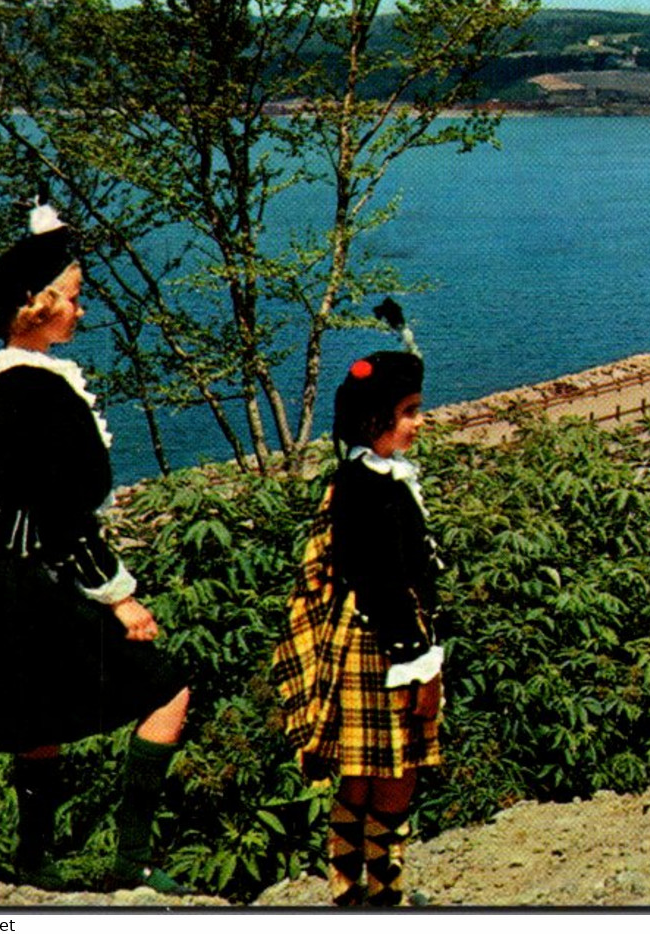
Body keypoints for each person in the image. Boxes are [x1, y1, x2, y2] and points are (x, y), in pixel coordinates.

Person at [0, 204, 192, 892]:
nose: (83, 312)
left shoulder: (3, 381)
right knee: (168, 685)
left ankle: (34, 863)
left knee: (34, 719)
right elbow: (59, 512)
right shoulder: (36, 392)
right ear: (40, 305)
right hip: (27, 578)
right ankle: (131, 862)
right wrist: (121, 597)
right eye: (75, 299)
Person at [272, 349, 444, 907]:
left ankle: (348, 891)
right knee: (398, 772)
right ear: (375, 421)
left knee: (360, 771)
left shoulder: (355, 479)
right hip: (386, 647)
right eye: (411, 411)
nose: (420, 422)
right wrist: (419, 661)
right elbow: (385, 582)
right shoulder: (377, 491)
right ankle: (385, 895)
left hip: (359, 642)